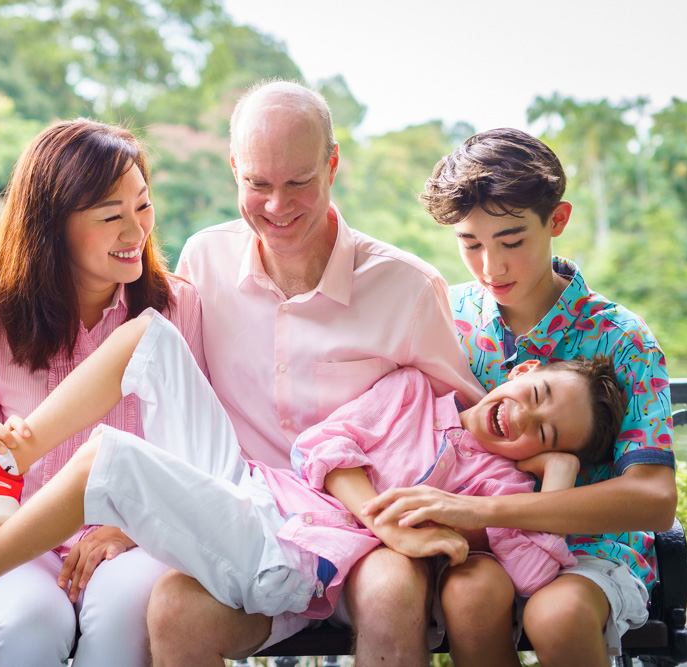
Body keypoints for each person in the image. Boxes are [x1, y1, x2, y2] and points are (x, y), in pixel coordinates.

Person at [0, 309, 625, 654]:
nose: (526, 419)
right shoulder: (418, 391)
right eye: (539, 395)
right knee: (150, 337)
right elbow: (323, 444)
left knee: (110, 459)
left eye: (549, 434)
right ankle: (4, 464)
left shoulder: (504, 487)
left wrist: (544, 474)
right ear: (524, 368)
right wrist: (383, 514)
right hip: (258, 487)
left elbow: (535, 562)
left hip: (286, 556)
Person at [162, 78, 486, 664]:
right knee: (173, 611)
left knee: (390, 596)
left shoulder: (406, 287)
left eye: (299, 183)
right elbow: (176, 400)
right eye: (257, 184)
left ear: (332, 164)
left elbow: (462, 430)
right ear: (234, 167)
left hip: (374, 533)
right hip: (254, 523)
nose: (277, 208)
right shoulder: (202, 261)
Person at [364, 127, 677, 666]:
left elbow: (654, 498)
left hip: (589, 551)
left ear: (557, 221)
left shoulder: (622, 338)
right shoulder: (444, 315)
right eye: (470, 243)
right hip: (479, 546)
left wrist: (479, 506)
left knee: (556, 616)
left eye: (511, 241)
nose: (491, 267)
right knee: (467, 595)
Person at [0, 119, 204, 666]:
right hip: (19, 537)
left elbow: (195, 451)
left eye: (142, 206)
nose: (135, 231)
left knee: (124, 621)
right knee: (26, 628)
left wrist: (129, 528)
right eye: (110, 216)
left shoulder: (176, 310)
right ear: (53, 225)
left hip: (137, 535)